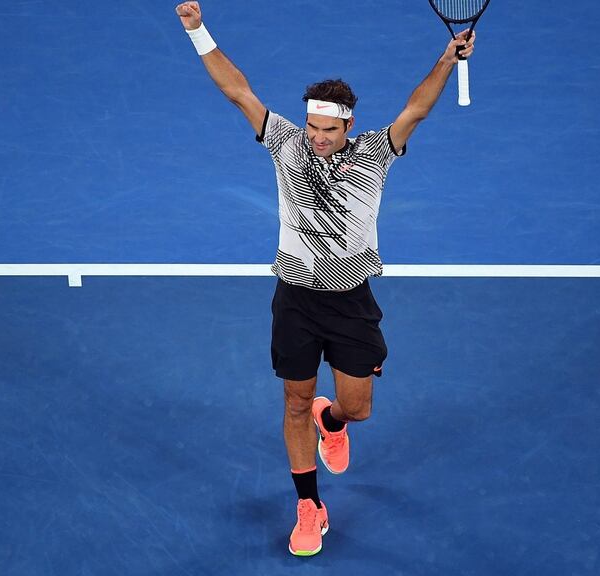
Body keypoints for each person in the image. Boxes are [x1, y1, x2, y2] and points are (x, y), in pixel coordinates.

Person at [174, 1, 475, 556]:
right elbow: (238, 91)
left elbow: (417, 108)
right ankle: (309, 505)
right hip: (294, 300)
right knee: (294, 399)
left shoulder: (377, 153)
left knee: (357, 406)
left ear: (348, 126)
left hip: (350, 300)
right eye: (311, 126)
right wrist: (198, 31)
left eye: (326, 129)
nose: (315, 136)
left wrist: (448, 59)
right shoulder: (286, 143)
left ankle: (332, 422)